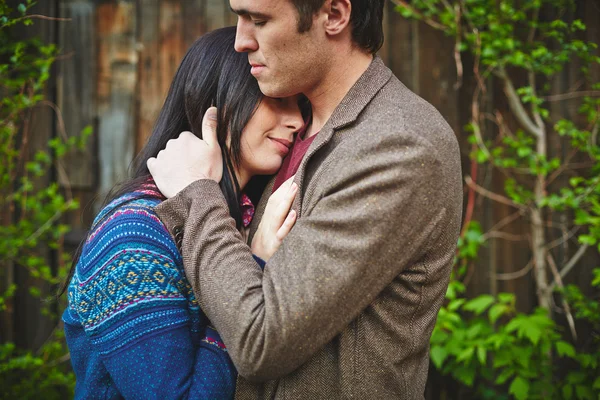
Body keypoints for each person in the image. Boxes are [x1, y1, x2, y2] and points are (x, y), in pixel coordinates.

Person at [148, 0, 463, 398]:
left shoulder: (399, 146)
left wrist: (196, 193)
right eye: (238, 17)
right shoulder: (287, 133)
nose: (241, 40)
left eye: (259, 20)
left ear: (333, 14)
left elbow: (259, 342)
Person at [61, 26, 303, 399]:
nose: (298, 121)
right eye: (278, 100)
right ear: (220, 101)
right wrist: (254, 264)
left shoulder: (238, 213)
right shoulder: (134, 234)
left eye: (299, 105)